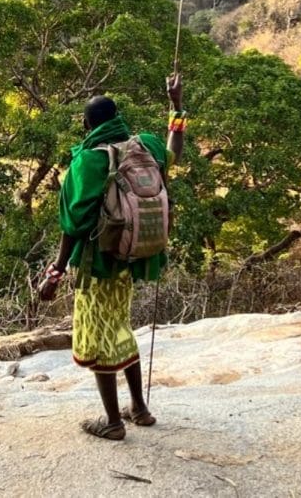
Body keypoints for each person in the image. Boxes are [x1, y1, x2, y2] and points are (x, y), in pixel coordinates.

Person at [39, 73, 183, 440]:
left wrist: (55, 274)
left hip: (99, 263)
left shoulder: (88, 161)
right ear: (117, 117)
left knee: (99, 335)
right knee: (120, 326)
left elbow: (72, 225)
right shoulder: (145, 145)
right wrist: (176, 106)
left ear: (86, 124)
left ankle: (113, 422)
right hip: (131, 259)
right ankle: (139, 408)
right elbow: (174, 153)